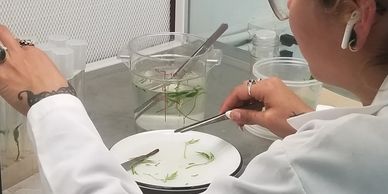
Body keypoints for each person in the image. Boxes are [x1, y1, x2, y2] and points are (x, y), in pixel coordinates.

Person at [0, 0, 387, 193]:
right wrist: (307, 124)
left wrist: (51, 102)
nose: (287, 7)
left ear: (357, 18)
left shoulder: (305, 167)